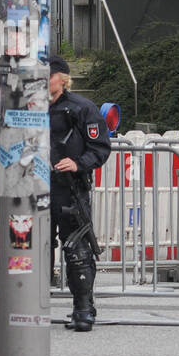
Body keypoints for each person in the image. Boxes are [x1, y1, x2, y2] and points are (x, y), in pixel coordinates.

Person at [48, 57, 111, 332]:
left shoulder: (82, 108)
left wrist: (77, 164)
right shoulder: (28, 108)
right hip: (34, 186)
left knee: (77, 250)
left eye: (48, 76)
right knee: (33, 248)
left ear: (62, 78)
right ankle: (29, 309)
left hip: (69, 188)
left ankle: (83, 308)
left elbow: (100, 148)